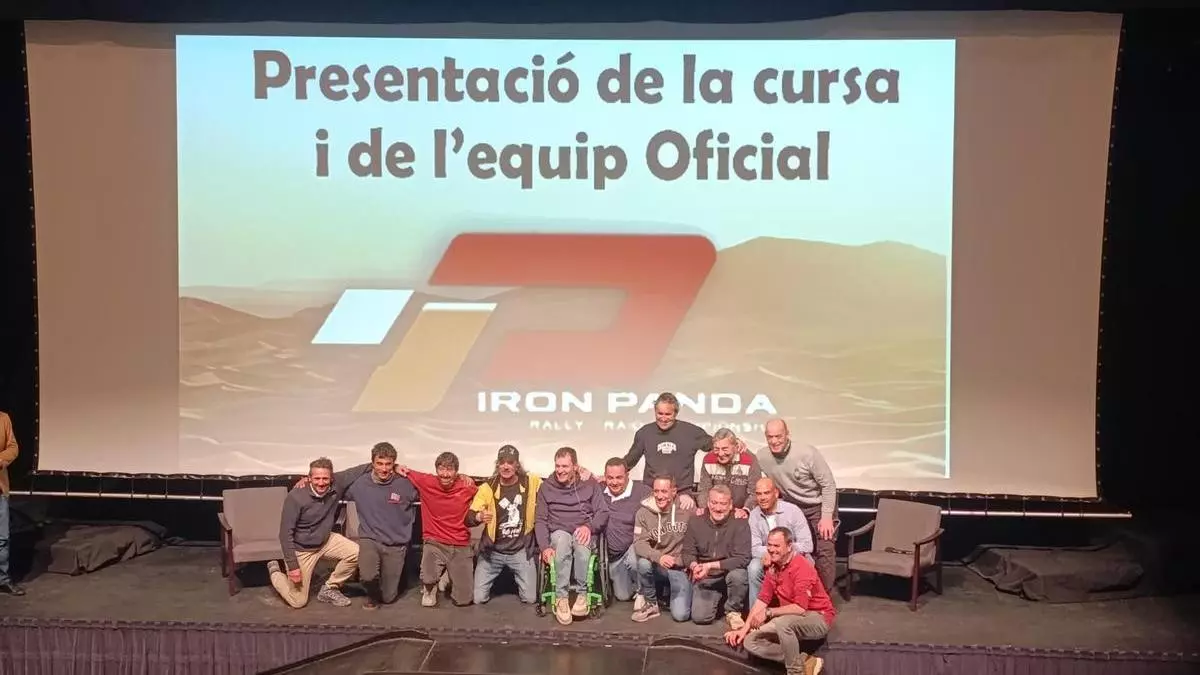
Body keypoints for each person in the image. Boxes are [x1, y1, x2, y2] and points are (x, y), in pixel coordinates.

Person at [725, 527, 835, 675]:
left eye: (776, 546)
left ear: (789, 546)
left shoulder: (802, 567)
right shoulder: (773, 566)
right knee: (751, 641)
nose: (771, 549)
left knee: (783, 623)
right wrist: (743, 630)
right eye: (769, 545)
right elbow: (762, 600)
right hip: (789, 618)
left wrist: (768, 612)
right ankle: (806, 661)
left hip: (817, 617)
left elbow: (800, 608)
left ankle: (795, 672)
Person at [270, 457, 369, 608]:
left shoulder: (337, 483)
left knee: (357, 553)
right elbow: (285, 534)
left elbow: (363, 468)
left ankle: (330, 588)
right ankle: (275, 572)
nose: (321, 483)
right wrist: (293, 566)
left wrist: (395, 467)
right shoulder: (296, 497)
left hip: (325, 541)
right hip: (302, 550)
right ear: (309, 478)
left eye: (325, 478)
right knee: (298, 601)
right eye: (317, 478)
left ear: (331, 478)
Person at [757, 419, 838, 594]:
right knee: (789, 547)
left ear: (787, 434)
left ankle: (823, 597)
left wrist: (826, 516)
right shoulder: (762, 456)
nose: (774, 441)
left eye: (778, 436)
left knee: (824, 548)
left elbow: (828, 485)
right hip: (791, 505)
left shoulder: (807, 453)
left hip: (817, 504)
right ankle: (796, 593)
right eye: (770, 437)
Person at [535, 446, 610, 625]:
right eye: (558, 466)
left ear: (575, 467)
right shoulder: (546, 487)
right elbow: (540, 520)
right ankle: (561, 597)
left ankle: (582, 594)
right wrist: (544, 547)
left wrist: (589, 527)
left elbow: (603, 512)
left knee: (582, 546)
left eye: (565, 466)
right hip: (558, 531)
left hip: (582, 529)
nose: (560, 470)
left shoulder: (589, 485)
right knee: (562, 542)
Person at [397, 452, 478, 607]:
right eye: (441, 469)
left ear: (456, 472)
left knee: (464, 600)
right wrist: (395, 466)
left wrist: (467, 478)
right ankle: (430, 588)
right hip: (435, 541)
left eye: (450, 469)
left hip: (460, 543)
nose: (445, 474)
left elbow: (485, 492)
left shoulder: (467, 486)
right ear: (436, 470)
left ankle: (448, 574)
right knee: (428, 578)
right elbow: (403, 470)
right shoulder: (426, 481)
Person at [342, 442, 418, 609]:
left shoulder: (405, 484)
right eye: (379, 463)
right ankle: (371, 593)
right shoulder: (359, 484)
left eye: (388, 464)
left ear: (394, 464)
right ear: (372, 463)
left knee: (388, 597)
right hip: (370, 539)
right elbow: (332, 485)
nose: (384, 468)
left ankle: (383, 590)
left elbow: (433, 487)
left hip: (396, 544)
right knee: (368, 577)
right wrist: (306, 481)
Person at [468, 445, 541, 605]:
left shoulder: (530, 482)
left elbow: (554, 485)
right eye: (502, 462)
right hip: (493, 552)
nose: (506, 466)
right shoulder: (488, 487)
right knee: (478, 599)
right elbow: (469, 517)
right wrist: (479, 516)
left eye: (510, 462)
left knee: (530, 599)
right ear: (498, 465)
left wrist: (581, 473)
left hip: (520, 551)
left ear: (517, 465)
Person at [680, 484, 752, 629]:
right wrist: (694, 566)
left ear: (730, 505)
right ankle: (722, 599)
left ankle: (733, 610)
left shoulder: (741, 523)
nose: (718, 508)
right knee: (700, 618)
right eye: (714, 502)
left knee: (738, 576)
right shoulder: (695, 522)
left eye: (723, 504)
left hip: (729, 573)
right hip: (707, 578)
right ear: (708, 502)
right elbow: (687, 552)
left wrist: (710, 565)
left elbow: (743, 558)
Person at [622, 392, 712, 508]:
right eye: (660, 413)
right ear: (655, 411)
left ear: (675, 413)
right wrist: (611, 473)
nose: (663, 418)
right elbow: (630, 460)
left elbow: (715, 445)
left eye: (668, 414)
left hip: (682, 495)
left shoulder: (692, 432)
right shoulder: (644, 433)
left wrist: (733, 444)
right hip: (652, 493)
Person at [631, 475, 693, 622]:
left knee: (681, 615)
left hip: (679, 567)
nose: (659, 496)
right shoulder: (643, 513)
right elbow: (639, 543)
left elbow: (697, 540)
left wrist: (685, 562)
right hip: (658, 565)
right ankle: (651, 603)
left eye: (664, 491)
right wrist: (659, 557)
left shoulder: (687, 509)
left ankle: (673, 593)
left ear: (674, 491)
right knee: (642, 563)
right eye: (656, 491)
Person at [748, 477, 813, 605]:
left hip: (792, 555)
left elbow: (807, 545)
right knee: (753, 567)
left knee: (806, 562)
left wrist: (780, 552)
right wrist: (770, 553)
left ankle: (800, 608)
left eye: (766, 493)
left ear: (776, 493)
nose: (762, 498)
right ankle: (756, 612)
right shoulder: (754, 515)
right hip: (767, 557)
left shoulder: (793, 511)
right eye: (759, 494)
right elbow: (754, 548)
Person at [599, 457, 651, 606]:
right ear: (605, 476)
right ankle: (636, 587)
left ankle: (645, 594)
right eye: (610, 478)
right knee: (622, 595)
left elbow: (663, 499)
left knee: (635, 560)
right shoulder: (599, 491)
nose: (614, 482)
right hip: (614, 558)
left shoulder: (643, 492)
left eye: (619, 477)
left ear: (627, 475)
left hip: (633, 547)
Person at [697, 427, 761, 518]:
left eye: (725, 449)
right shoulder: (708, 459)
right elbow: (704, 489)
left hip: (741, 512)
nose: (720, 454)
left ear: (735, 447)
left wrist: (746, 510)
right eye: (716, 449)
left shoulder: (749, 459)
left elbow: (755, 492)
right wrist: (705, 509)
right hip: (715, 511)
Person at [0, 410, 23, 596]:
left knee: (2, 538)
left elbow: (13, 447)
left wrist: (1, 460)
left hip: (0, 488)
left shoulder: (3, 418)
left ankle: (3, 579)